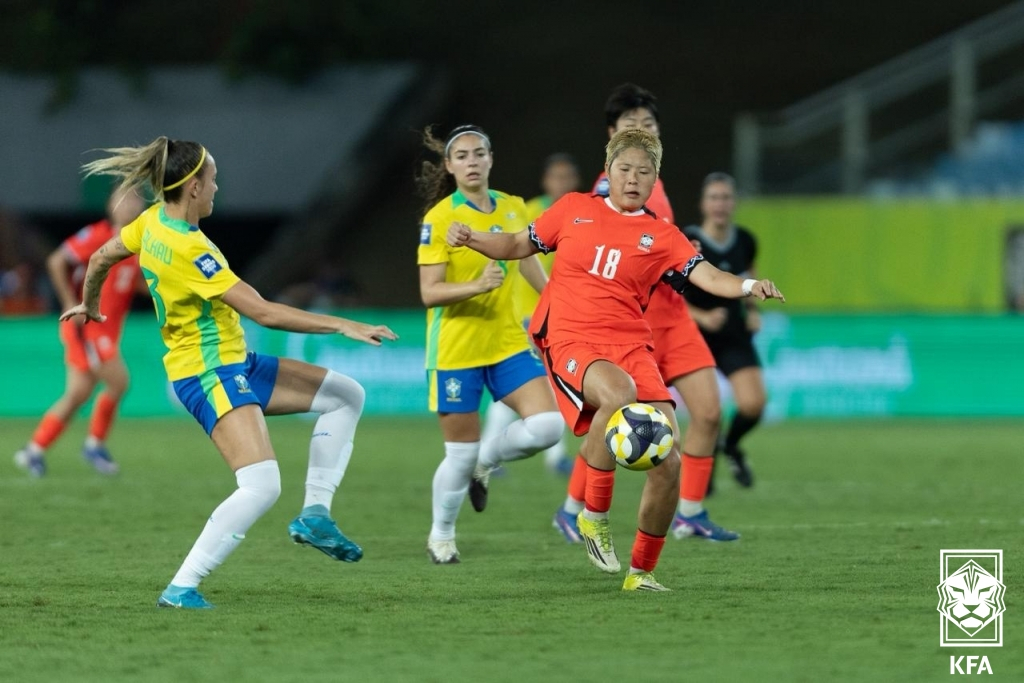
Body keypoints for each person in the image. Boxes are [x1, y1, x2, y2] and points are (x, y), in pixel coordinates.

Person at [60, 136, 397, 609]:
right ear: (194, 187)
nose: (218, 187)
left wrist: (90, 304)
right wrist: (342, 323)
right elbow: (264, 312)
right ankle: (181, 587)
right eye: (213, 178)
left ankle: (316, 514)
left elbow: (99, 258)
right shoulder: (191, 249)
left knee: (346, 395)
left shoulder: (150, 222)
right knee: (261, 485)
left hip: (234, 363)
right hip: (208, 372)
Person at [448, 129, 785, 591]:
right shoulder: (573, 209)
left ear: (654, 182)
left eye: (643, 172)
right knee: (619, 394)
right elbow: (515, 246)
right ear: (608, 173)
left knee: (668, 457)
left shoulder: (661, 234)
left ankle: (641, 572)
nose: (633, 179)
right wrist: (471, 238)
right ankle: (593, 517)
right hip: (569, 337)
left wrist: (748, 286)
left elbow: (706, 275)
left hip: (630, 343)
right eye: (624, 169)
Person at [552, 82, 737, 545]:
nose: (642, 131)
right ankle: (574, 509)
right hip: (634, 322)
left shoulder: (654, 179)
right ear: (613, 135)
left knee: (710, 412)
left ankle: (689, 512)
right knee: (620, 421)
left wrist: (682, 257)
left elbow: (661, 246)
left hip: (674, 316)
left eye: (650, 125)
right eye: (632, 125)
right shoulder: (606, 190)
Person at [416, 125, 564, 565]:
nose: (472, 161)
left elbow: (530, 264)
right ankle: (441, 535)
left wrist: (558, 305)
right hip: (456, 349)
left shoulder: (515, 208)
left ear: (491, 158)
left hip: (507, 344)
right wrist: (478, 285)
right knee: (456, 458)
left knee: (548, 427)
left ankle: (487, 458)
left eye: (479, 153)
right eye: (461, 156)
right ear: (450, 166)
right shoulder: (439, 220)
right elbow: (429, 292)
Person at [13, 188, 145, 477]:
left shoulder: (135, 245)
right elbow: (56, 261)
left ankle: (33, 450)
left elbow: (132, 282)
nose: (128, 204)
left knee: (78, 394)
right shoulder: (98, 235)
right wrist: (69, 302)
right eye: (122, 198)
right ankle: (95, 444)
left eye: (134, 198)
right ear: (110, 204)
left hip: (107, 329)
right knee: (119, 381)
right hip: (88, 327)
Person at [481, 152, 581, 475]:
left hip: (562, 316)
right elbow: (518, 260)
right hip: (526, 315)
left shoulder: (582, 215)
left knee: (557, 385)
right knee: (521, 386)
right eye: (556, 177)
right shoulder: (531, 213)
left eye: (567, 177)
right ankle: (488, 450)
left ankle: (554, 458)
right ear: (546, 181)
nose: (562, 183)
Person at [684, 173, 766, 489]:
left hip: (732, 333)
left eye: (726, 197)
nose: (720, 204)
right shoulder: (687, 238)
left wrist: (753, 311)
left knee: (753, 405)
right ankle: (701, 476)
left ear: (734, 203)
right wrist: (701, 317)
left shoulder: (745, 239)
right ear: (703, 203)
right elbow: (666, 291)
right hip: (692, 334)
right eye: (714, 197)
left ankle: (730, 446)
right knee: (706, 411)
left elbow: (749, 271)